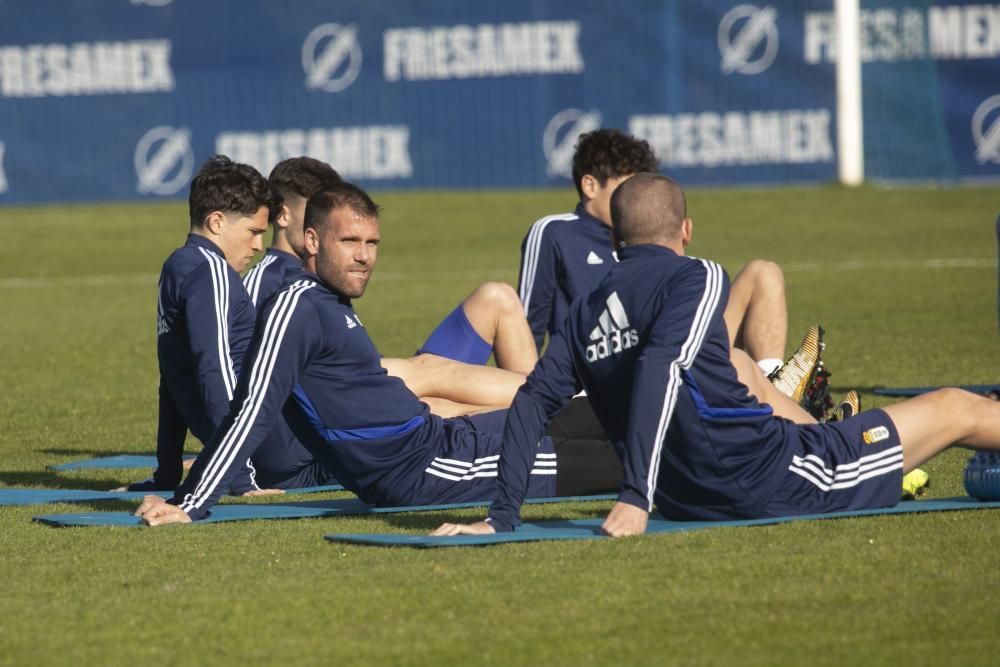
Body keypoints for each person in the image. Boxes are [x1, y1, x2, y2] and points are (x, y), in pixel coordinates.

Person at [433, 173, 999, 538]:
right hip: (773, 477)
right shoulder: (698, 273)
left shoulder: (584, 313)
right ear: (686, 229)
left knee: (741, 371)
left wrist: (500, 518)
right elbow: (665, 365)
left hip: (689, 498)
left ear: (615, 242)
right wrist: (634, 498)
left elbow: (532, 402)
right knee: (956, 407)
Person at [134, 183, 622, 525]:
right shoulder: (295, 309)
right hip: (430, 472)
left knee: (601, 412)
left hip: (446, 437)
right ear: (311, 240)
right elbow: (252, 409)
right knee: (619, 464)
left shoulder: (326, 303)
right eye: (349, 242)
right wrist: (191, 502)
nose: (364, 255)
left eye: (371, 243)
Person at [519, 128, 788, 376]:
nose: (639, 196)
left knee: (763, 273)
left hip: (672, 350)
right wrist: (539, 400)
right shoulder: (554, 232)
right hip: (606, 371)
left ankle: (775, 384)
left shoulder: (652, 230)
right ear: (590, 186)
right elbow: (526, 328)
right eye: (627, 186)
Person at [122, 156, 281, 493]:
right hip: (272, 451)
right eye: (253, 231)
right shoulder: (212, 270)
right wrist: (239, 478)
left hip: (248, 446)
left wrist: (166, 475)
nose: (258, 245)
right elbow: (217, 373)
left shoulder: (175, 267)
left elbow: (173, 380)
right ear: (217, 221)